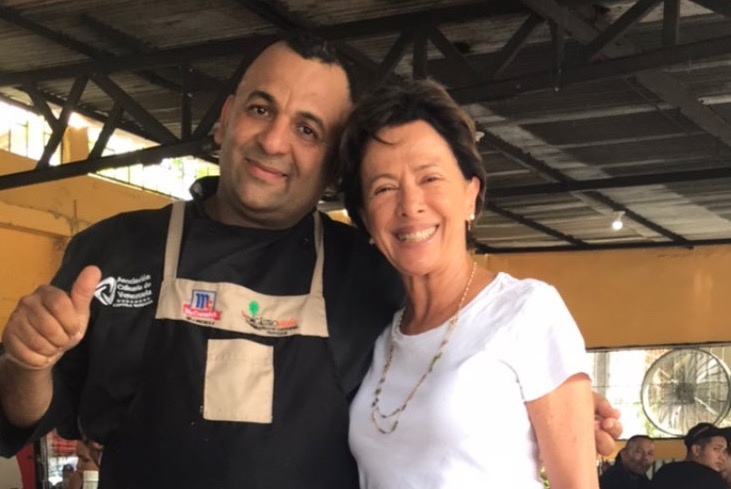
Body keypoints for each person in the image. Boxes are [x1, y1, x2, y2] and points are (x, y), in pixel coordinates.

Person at [0, 33, 620, 488]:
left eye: (307, 129)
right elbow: (28, 414)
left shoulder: (371, 276)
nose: (274, 141)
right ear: (225, 119)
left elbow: (455, 367)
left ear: (330, 167)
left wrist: (547, 407)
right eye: (260, 109)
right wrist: (24, 362)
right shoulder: (112, 251)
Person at [339, 79, 599, 488]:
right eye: (384, 188)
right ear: (366, 219)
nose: (410, 205)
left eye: (430, 178)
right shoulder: (381, 337)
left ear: (470, 194)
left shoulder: (527, 311)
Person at [650, 422, 727, 489]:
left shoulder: (664, 472)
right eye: (717, 449)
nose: (723, 457)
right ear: (696, 450)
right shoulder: (713, 481)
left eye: (724, 451)